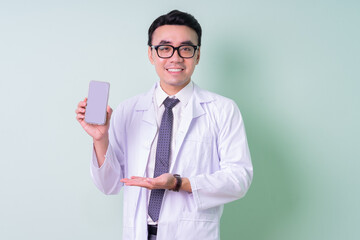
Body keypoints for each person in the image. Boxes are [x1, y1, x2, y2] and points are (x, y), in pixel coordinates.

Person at [75, 10, 253, 240]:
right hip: (138, 233)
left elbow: (239, 179)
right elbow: (108, 185)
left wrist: (180, 183)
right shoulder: (128, 110)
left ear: (198, 56)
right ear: (151, 54)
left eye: (186, 49)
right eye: (165, 48)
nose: (175, 58)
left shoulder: (223, 110)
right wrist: (100, 138)